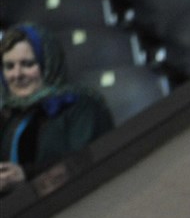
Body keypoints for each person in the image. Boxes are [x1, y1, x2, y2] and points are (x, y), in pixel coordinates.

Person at [0, 23, 114, 194]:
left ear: (48, 62)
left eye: (28, 64)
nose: (17, 75)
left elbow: (87, 161)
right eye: (9, 66)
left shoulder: (81, 106)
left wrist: (26, 175)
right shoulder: (9, 118)